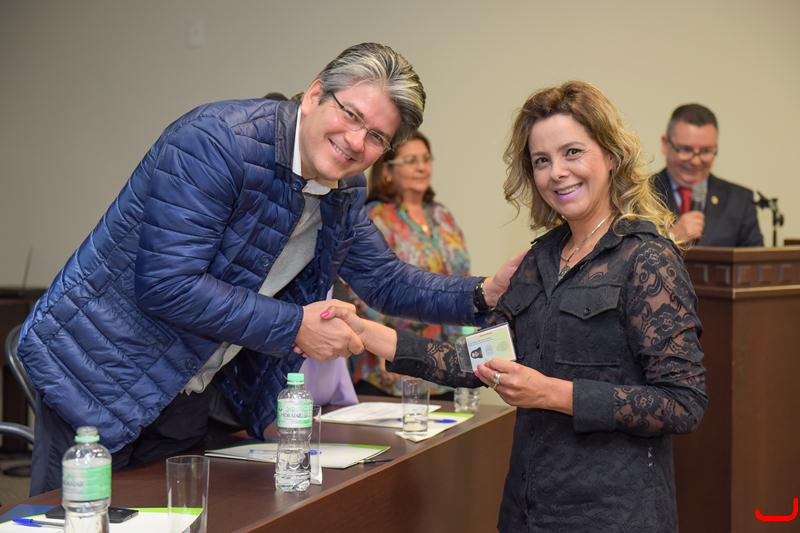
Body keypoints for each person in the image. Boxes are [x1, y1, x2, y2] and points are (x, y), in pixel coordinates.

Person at [17, 42, 518, 495]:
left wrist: (483, 293)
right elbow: (168, 283)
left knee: (174, 513)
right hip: (96, 372)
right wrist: (296, 326)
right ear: (315, 93)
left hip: (189, 387)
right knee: (83, 517)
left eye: (375, 137)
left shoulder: (344, 190)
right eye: (350, 114)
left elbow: (384, 279)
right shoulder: (216, 142)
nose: (354, 141)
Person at [321, 81, 708, 532]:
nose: (557, 173)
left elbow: (683, 402)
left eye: (572, 153)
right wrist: (366, 332)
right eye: (542, 160)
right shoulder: (538, 259)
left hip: (613, 515)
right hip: (527, 511)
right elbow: (476, 360)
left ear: (610, 155)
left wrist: (553, 393)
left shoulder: (648, 258)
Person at [349, 131, 471, 398]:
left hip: (447, 366)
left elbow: (462, 278)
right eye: (411, 160)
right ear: (387, 170)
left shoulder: (442, 215)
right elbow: (362, 293)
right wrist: (387, 348)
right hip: (393, 365)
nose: (421, 167)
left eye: (426, 159)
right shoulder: (374, 217)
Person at [652, 103, 763, 246]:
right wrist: (671, 238)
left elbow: (754, 258)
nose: (696, 161)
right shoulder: (639, 195)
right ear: (665, 144)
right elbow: (627, 255)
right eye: (686, 149)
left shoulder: (740, 200)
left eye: (705, 151)